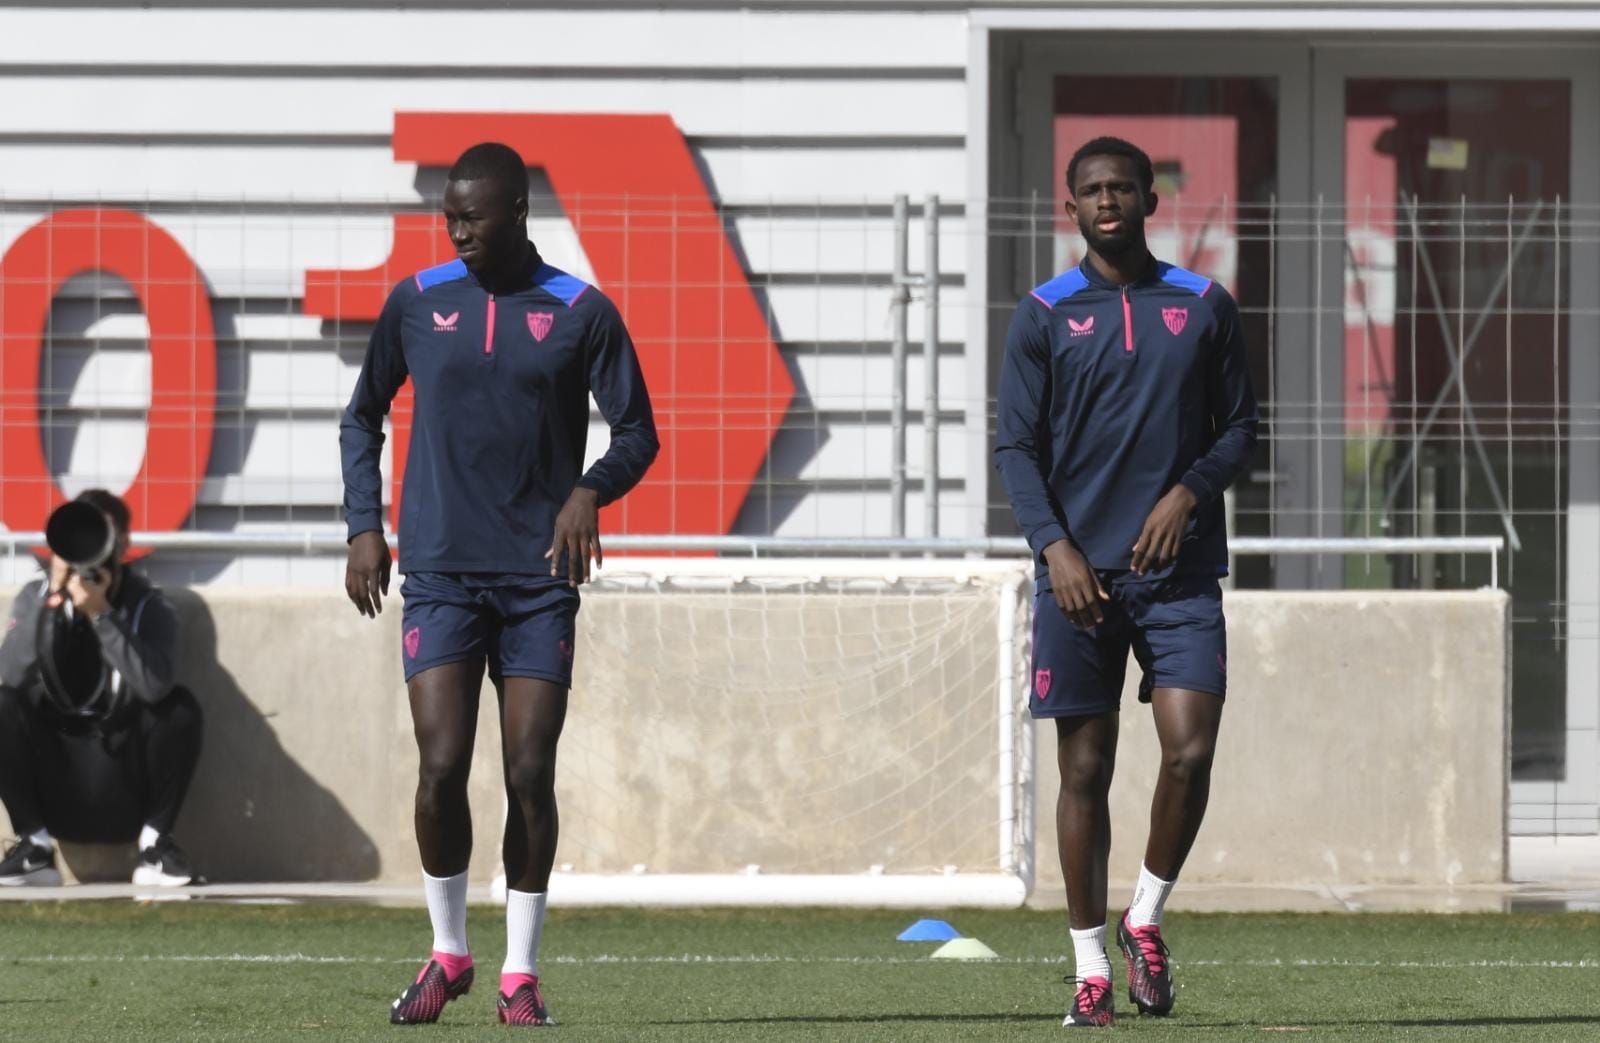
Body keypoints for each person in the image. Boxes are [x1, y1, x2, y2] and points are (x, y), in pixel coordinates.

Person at [340, 141, 658, 1028]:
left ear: (517, 211)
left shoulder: (580, 310)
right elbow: (360, 416)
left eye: (473, 217)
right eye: (450, 218)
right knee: (440, 766)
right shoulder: (417, 301)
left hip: (538, 579)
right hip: (439, 571)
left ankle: (520, 970)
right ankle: (449, 953)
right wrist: (365, 524)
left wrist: (589, 490)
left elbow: (638, 431)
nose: (458, 232)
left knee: (529, 768)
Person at [994, 136, 1259, 1027]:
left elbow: (1242, 430)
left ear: (1150, 196)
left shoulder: (1204, 304)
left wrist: (1190, 491)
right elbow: (1016, 449)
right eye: (1090, 191)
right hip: (1080, 581)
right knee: (1085, 770)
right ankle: (1089, 970)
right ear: (1070, 208)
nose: (1108, 200)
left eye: (1121, 187)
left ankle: (1144, 914)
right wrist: (1054, 548)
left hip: (1178, 575)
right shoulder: (1041, 314)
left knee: (1189, 749)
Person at [0, 489, 202, 887]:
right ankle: (34, 846)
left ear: (124, 543)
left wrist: (102, 615)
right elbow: (8, 674)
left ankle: (156, 844)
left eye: (101, 537)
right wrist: (53, 599)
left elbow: (155, 687)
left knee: (180, 707)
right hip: (57, 778)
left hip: (122, 780)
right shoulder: (36, 596)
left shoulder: (149, 605)